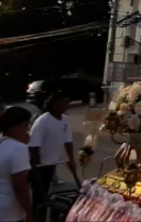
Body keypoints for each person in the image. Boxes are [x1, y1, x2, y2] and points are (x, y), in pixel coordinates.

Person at [28, 93, 80, 222]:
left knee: (45, 194)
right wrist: (36, 167)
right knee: (38, 196)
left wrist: (71, 159)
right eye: (62, 102)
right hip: (38, 164)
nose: (66, 105)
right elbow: (33, 146)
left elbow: (68, 141)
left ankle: (41, 217)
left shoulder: (64, 120)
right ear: (53, 104)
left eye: (67, 102)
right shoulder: (43, 121)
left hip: (51, 163)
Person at [0, 106, 34, 222]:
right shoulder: (18, 148)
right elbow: (20, 187)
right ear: (14, 127)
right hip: (7, 214)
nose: (27, 130)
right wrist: (28, 211)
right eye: (26, 126)